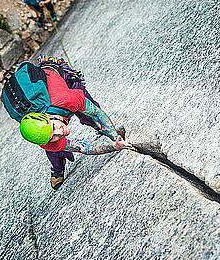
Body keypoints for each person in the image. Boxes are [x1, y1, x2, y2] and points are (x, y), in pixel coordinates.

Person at [19, 57, 134, 190]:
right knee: (55, 148)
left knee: (91, 113)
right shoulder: (39, 134)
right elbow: (82, 147)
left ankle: (101, 128)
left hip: (59, 78)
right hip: (36, 100)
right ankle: (58, 167)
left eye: (54, 127)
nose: (60, 132)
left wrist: (115, 137)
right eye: (52, 136)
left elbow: (97, 113)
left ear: (48, 117)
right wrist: (115, 146)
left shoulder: (67, 99)